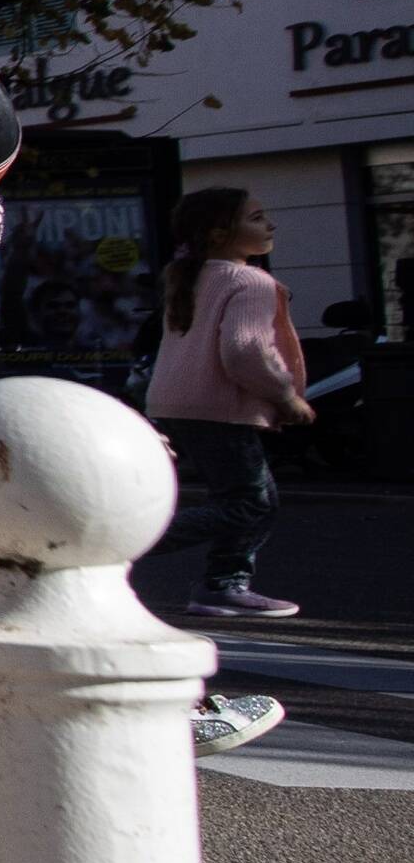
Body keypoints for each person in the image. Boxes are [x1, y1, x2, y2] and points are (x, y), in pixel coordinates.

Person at [145, 185, 310, 623]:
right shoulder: (250, 281)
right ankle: (134, 543)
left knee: (248, 497)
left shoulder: (189, 275)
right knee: (251, 503)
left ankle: (225, 583)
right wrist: (286, 397)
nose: (269, 224)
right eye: (256, 218)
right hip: (218, 408)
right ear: (219, 233)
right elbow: (244, 351)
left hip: (175, 403)